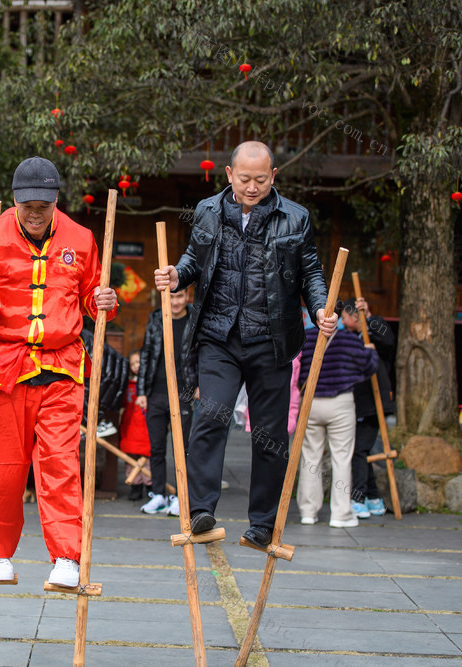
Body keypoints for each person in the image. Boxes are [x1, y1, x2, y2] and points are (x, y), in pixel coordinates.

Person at [154, 141, 334, 547]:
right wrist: (176, 275)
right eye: (245, 179)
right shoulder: (208, 210)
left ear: (273, 176)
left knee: (269, 433)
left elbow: (311, 273)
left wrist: (322, 308)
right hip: (219, 335)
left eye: (260, 179)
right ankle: (200, 509)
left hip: (272, 340)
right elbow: (193, 260)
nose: (252, 187)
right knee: (210, 418)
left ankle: (263, 523)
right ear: (230, 175)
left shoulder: (295, 218)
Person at [0, 156, 118, 588]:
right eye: (27, 204)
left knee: (61, 464)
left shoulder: (81, 239)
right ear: (14, 199)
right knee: (2, 468)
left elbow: (91, 296)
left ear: (56, 200)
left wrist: (104, 301)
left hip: (62, 368)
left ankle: (67, 556)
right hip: (4, 368)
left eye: (42, 205)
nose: (34, 212)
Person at [297, 306, 379, 527]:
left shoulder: (305, 337)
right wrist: (370, 350)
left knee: (310, 457)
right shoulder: (350, 339)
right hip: (341, 402)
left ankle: (307, 511)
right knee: (341, 458)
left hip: (311, 402)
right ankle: (340, 514)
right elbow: (368, 367)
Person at [136, 290, 196, 516]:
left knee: (183, 449)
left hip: (183, 393)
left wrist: (198, 385)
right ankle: (158, 494)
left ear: (187, 297)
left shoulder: (194, 320)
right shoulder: (155, 319)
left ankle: (182, 497)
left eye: (179, 296)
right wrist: (142, 391)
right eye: (171, 298)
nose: (175, 302)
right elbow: (146, 355)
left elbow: (200, 354)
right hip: (156, 393)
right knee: (157, 448)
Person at [340, 297, 395, 518]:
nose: (343, 322)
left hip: (375, 402)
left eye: (345, 317)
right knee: (360, 449)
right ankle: (373, 497)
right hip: (359, 402)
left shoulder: (374, 328)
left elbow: (389, 341)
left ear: (355, 316)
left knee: (360, 449)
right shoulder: (349, 336)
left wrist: (369, 318)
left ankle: (359, 496)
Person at [120, 350, 151, 501]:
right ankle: (136, 486)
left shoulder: (150, 385)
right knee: (131, 458)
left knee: (148, 459)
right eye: (132, 363)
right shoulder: (127, 384)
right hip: (130, 425)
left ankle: (150, 486)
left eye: (138, 362)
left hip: (146, 427)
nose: (136, 366)